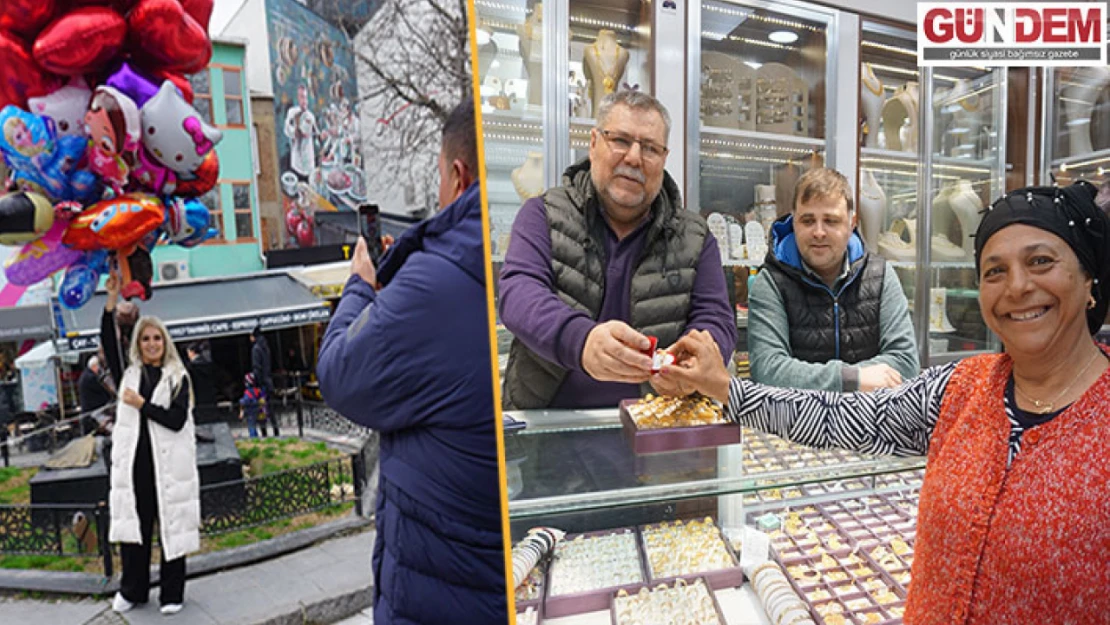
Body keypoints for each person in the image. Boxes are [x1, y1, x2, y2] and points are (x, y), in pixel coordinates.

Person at [660, 181, 1110, 623]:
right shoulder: (961, 389)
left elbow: (899, 360)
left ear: (1090, 278)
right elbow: (837, 418)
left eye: (1041, 261)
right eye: (994, 271)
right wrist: (727, 390)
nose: (1016, 287)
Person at [316, 100, 506, 624]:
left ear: (458, 174)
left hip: (443, 580)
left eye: (440, 177)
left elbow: (339, 373)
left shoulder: (435, 281)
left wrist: (360, 286)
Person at [498, 89, 735, 409]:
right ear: (594, 144)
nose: (634, 158)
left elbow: (715, 317)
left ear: (663, 159)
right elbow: (518, 294)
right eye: (620, 140)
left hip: (657, 429)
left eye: (650, 148)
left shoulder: (695, 236)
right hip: (548, 427)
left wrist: (693, 363)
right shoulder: (542, 214)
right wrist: (580, 341)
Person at [749, 167, 918, 392]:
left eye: (831, 221)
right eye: (808, 221)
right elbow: (768, 371)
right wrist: (852, 378)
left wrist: (812, 379)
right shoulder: (771, 283)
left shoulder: (881, 276)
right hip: (797, 425)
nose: (819, 232)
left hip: (869, 424)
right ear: (794, 222)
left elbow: (906, 362)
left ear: (852, 223)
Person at [101, 270, 199, 616]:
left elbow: (176, 419)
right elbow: (109, 342)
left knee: (172, 531)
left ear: (165, 342)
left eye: (157, 338)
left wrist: (143, 406)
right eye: (146, 339)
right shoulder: (129, 374)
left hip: (168, 468)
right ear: (139, 344)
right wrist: (111, 299)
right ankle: (133, 590)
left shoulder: (177, 377)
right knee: (134, 533)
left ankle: (172, 593)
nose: (152, 344)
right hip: (136, 468)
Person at [249, 327, 278, 436]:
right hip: (269, 381)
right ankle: (276, 431)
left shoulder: (256, 349)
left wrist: (256, 383)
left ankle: (264, 433)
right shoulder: (265, 347)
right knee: (270, 409)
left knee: (261, 410)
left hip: (262, 384)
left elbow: (257, 368)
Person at [185, 341, 219, 422]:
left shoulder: (191, 367)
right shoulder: (208, 364)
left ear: (192, 352)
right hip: (210, 395)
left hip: (198, 395)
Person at [238, 372, 263, 439]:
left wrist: (241, 401)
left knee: (251, 425)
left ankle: (253, 438)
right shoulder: (256, 390)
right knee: (253, 425)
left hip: (250, 411)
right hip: (256, 410)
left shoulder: (248, 392)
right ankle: (255, 437)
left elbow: (246, 401)